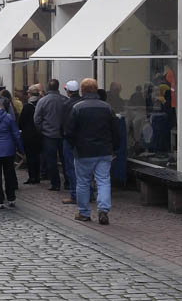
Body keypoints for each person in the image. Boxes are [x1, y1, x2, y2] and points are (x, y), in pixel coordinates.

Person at [65, 76, 120, 225]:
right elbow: (116, 131)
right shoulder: (107, 107)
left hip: (83, 152)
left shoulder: (77, 108)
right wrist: (114, 147)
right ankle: (103, 209)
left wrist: (74, 145)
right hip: (104, 151)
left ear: (82, 91)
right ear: (96, 90)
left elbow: (69, 131)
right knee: (103, 181)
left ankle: (84, 212)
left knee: (83, 182)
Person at [33, 78, 67, 191]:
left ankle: (55, 183)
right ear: (58, 87)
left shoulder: (43, 101)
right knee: (65, 159)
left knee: (51, 160)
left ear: (48, 87)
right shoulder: (65, 100)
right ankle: (68, 182)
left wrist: (42, 130)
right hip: (63, 135)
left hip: (48, 135)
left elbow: (37, 119)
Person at [18, 85, 43, 184]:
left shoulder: (27, 106)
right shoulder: (40, 104)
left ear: (30, 94)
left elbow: (21, 121)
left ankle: (32, 176)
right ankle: (37, 176)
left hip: (28, 135)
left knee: (30, 156)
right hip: (39, 134)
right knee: (37, 156)